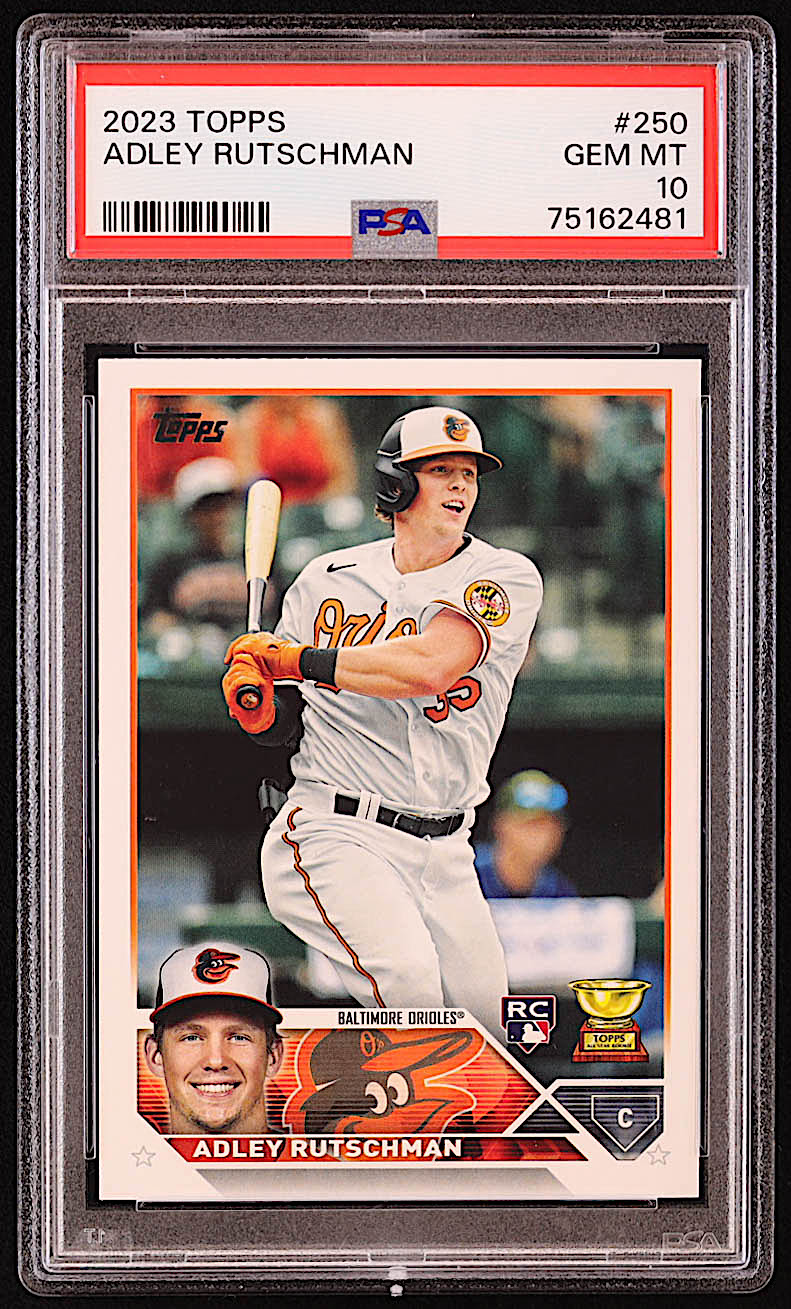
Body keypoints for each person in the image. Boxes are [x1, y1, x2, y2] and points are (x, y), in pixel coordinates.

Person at [221, 406, 543, 1035]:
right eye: (440, 470)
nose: (460, 485)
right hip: (336, 829)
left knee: (489, 1032)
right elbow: (288, 722)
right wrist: (258, 703)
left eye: (469, 474)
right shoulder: (326, 578)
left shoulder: (503, 574)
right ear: (395, 484)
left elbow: (431, 667)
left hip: (446, 850)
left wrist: (295, 659)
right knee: (410, 983)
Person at [144, 943, 283, 1135]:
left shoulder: (316, 1156)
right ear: (155, 1057)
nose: (216, 1061)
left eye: (239, 1037)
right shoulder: (120, 1155)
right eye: (191, 1038)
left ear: (273, 1057)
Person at [474, 769, 578, 899]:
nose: (543, 836)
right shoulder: (466, 873)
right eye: (531, 824)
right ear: (501, 825)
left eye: (551, 825)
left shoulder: (559, 893)